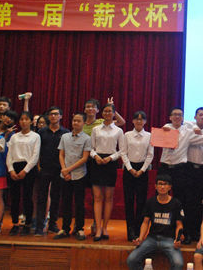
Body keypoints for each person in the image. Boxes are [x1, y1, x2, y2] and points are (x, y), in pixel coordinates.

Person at [159, 107, 203, 245]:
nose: (202, 117)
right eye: (200, 115)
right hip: (187, 169)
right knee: (185, 202)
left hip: (202, 171)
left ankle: (195, 231)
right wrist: (167, 126)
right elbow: (172, 124)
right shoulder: (188, 128)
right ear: (195, 116)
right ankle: (184, 232)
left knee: (198, 203)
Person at [126, 174, 184, 270]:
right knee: (131, 260)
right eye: (160, 184)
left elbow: (179, 225)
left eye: (165, 184)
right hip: (151, 239)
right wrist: (140, 238)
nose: (162, 187)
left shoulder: (176, 203)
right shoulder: (150, 202)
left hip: (169, 239)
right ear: (155, 186)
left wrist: (177, 239)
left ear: (170, 187)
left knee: (178, 263)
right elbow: (145, 222)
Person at [89, 103, 124, 241]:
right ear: (102, 113)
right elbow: (91, 148)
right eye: (105, 111)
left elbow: (122, 150)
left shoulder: (118, 131)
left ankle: (105, 228)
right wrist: (96, 156)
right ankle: (98, 228)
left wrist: (111, 158)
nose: (107, 113)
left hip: (111, 163)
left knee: (109, 197)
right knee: (97, 197)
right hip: (97, 162)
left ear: (114, 113)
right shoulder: (95, 129)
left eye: (110, 111)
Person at [54, 112, 91, 241]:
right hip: (65, 175)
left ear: (84, 123)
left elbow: (84, 158)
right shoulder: (65, 137)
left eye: (78, 121)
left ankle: (79, 228)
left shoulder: (87, 138)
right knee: (66, 202)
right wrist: (64, 170)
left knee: (79, 203)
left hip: (79, 175)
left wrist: (68, 170)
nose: (75, 123)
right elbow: (61, 154)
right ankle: (65, 228)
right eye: (74, 120)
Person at [35, 106, 69, 236]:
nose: (53, 116)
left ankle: (52, 224)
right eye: (51, 114)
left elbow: (67, 152)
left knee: (56, 197)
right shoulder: (41, 132)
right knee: (41, 198)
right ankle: (39, 226)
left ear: (61, 116)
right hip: (44, 169)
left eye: (56, 114)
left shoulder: (65, 133)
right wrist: (38, 166)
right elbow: (37, 150)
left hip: (59, 169)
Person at [122, 110, 154, 241]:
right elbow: (123, 153)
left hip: (143, 170)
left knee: (141, 201)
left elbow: (150, 155)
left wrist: (142, 170)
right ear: (133, 121)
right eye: (137, 119)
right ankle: (130, 230)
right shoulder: (127, 135)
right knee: (128, 201)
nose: (139, 121)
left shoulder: (149, 135)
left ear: (145, 121)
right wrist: (130, 169)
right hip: (129, 170)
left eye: (142, 119)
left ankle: (138, 230)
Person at [6, 111, 40, 235]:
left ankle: (28, 223)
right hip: (15, 167)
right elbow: (9, 154)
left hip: (28, 168)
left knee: (27, 197)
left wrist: (25, 170)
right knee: (14, 197)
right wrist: (11, 170)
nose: (24, 121)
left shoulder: (35, 136)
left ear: (31, 121)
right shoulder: (14, 136)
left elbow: (35, 155)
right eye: (21, 119)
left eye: (26, 119)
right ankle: (15, 223)